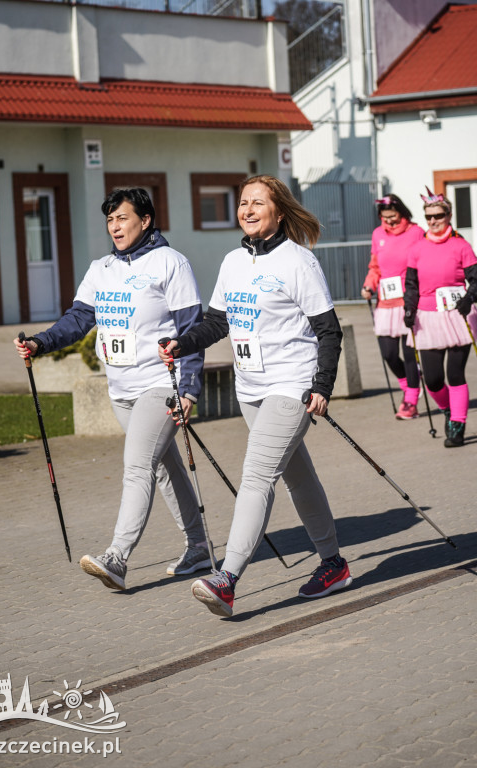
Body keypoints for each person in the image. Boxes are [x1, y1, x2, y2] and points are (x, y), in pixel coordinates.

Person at [159, 174, 352, 618]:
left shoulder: (298, 262)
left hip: (292, 384)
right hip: (251, 388)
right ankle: (334, 565)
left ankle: (227, 579)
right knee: (297, 476)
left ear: (278, 212)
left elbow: (328, 330)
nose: (247, 210)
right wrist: (182, 343)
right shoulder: (232, 262)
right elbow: (217, 322)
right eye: (243, 202)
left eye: (257, 203)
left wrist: (322, 385)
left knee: (257, 474)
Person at [14, 187, 212, 589]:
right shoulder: (101, 268)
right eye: (110, 220)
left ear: (145, 220)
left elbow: (192, 330)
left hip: (160, 384)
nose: (115, 226)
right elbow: (79, 319)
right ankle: (199, 546)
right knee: (162, 465)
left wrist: (188, 389)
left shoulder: (170, 264)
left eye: (122, 218)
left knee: (138, 464)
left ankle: (117, 557)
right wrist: (40, 343)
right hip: (121, 388)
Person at [404, 188, 477, 447]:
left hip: (458, 315)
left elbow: (475, 279)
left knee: (455, 374)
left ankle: (457, 425)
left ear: (449, 215)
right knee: (433, 379)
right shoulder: (417, 248)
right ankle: (447, 410)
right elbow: (411, 285)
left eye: (438, 216)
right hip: (428, 316)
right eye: (429, 217)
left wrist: (469, 299)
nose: (433, 221)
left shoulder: (461, 245)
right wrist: (409, 309)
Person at [361, 194, 424, 419]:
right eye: (385, 218)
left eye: (394, 218)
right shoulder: (378, 234)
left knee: (409, 354)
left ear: (402, 213)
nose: (390, 222)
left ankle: (411, 400)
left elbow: (424, 263)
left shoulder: (416, 232)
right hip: (385, 303)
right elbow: (375, 266)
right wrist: (369, 285)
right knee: (388, 354)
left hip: (409, 301)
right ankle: (409, 384)